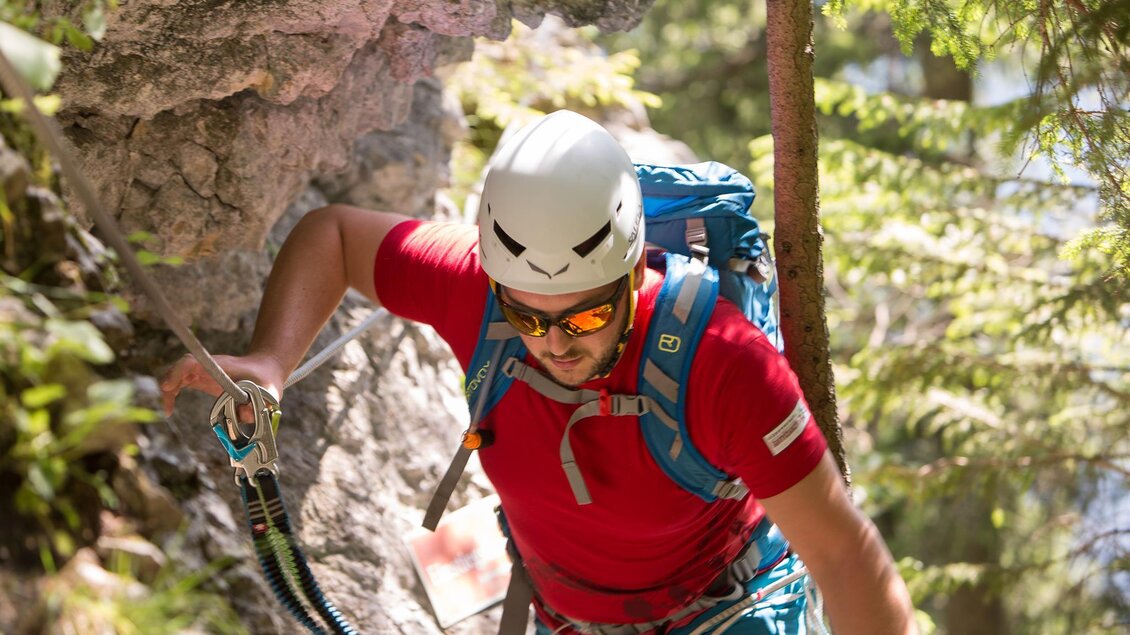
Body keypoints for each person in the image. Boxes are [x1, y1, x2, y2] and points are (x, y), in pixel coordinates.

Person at [161, 110, 917, 634]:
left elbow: (847, 558)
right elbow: (333, 236)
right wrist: (270, 361)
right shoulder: (472, 287)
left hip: (723, 611)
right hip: (561, 607)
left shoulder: (724, 366)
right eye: (527, 316)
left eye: (584, 317)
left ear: (631, 275)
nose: (553, 342)